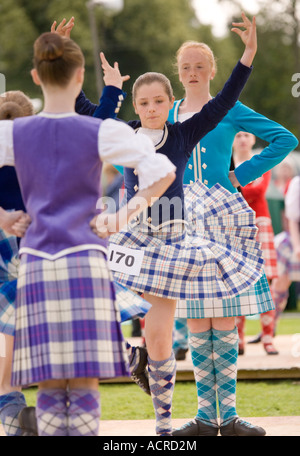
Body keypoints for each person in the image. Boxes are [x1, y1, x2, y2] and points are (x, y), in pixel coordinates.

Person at [89, 14, 269, 436]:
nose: (151, 109)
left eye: (157, 102)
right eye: (144, 103)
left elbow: (223, 101)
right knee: (94, 298)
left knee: (165, 338)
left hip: (173, 239)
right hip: (133, 235)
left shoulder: (184, 134)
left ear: (168, 103)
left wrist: (248, 55)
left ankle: (169, 427)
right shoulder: (128, 135)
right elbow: (88, 117)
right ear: (137, 107)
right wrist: (110, 89)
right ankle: (128, 356)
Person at [0, 32, 176, 437]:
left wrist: (6, 220)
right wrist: (121, 217)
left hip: (37, 269)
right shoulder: (100, 131)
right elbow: (163, 172)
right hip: (85, 266)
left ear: (35, 75)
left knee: (48, 385)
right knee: (83, 386)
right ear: (80, 76)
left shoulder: (14, 134)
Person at [165, 18, 298, 435]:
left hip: (225, 220)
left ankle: (231, 416)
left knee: (224, 319)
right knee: (195, 321)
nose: (191, 73)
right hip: (183, 222)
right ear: (178, 71)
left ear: (212, 70)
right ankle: (206, 417)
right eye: (185, 67)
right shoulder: (165, 113)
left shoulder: (228, 107)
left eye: (199, 66)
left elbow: (284, 138)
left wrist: (240, 175)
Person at [0, 91, 33, 437]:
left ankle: (13, 416)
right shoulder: (33, 154)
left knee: (2, 351)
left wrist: (4, 218)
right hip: (28, 247)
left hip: (5, 244)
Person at [233, 131, 279, 355]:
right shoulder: (226, 162)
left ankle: (268, 338)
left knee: (265, 284)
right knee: (237, 284)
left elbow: (258, 190)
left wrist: (237, 188)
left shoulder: (261, 161)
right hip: (236, 226)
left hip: (260, 222)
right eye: (238, 134)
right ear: (233, 139)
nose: (242, 139)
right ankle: (239, 339)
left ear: (252, 140)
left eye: (246, 135)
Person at [271, 175, 300, 331]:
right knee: (279, 285)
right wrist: (297, 246)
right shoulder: (298, 183)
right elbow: (293, 219)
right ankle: (269, 328)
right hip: (295, 241)